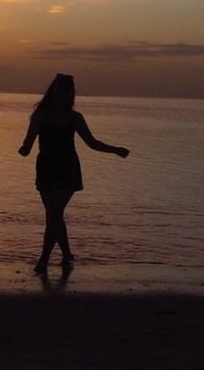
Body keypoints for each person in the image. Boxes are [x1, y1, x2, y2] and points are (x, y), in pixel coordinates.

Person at [18, 74, 129, 272]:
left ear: (71, 94)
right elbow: (29, 141)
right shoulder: (41, 114)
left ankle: (43, 260)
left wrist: (115, 150)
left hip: (67, 169)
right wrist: (25, 149)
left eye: (67, 90)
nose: (64, 93)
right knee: (54, 215)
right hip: (45, 169)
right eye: (61, 89)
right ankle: (67, 254)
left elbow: (92, 143)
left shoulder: (74, 118)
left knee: (53, 213)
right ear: (54, 91)